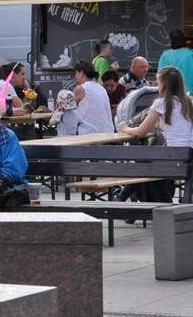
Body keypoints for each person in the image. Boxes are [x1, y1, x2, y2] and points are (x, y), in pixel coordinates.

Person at [118, 66, 193, 202]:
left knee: (142, 165)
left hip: (174, 158)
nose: (157, 87)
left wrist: (125, 128)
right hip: (188, 157)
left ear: (164, 85)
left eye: (158, 83)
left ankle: (121, 197)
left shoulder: (161, 104)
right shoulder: (189, 102)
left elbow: (141, 131)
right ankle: (124, 198)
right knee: (147, 166)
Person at [73, 59, 114, 134]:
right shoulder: (101, 88)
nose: (75, 76)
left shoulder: (80, 89)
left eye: (76, 73)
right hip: (108, 131)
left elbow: (66, 109)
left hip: (90, 132)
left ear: (81, 73)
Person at [159, 30, 193, 95]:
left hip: (171, 93)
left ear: (171, 41)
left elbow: (160, 76)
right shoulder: (191, 54)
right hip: (190, 94)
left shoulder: (165, 55)